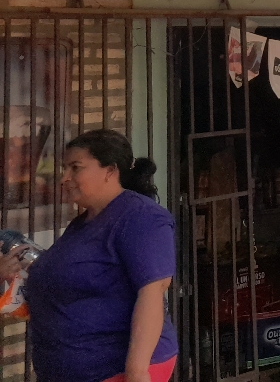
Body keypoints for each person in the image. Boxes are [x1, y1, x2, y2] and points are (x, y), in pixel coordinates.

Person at [0, 128, 178, 382]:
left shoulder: (141, 217)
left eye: (76, 168)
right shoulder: (82, 224)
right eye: (65, 168)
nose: (65, 178)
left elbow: (152, 292)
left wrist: (137, 372)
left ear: (110, 171)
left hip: (113, 371)